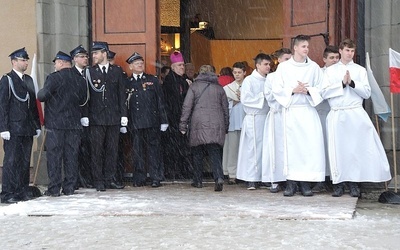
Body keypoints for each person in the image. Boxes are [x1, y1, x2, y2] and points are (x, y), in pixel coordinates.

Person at [321, 38, 392, 197]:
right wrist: (341, 84)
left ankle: (354, 183)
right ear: (340, 51)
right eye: (347, 50)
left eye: (352, 51)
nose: (349, 54)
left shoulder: (360, 70)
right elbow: (323, 92)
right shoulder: (330, 71)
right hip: (338, 113)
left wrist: (352, 83)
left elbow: (367, 92)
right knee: (338, 149)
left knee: (354, 149)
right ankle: (338, 183)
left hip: (354, 113)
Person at [272, 35, 325, 197]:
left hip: (307, 111)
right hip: (292, 111)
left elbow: (322, 88)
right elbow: (277, 88)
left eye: (307, 47)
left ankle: (305, 183)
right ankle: (291, 183)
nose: (306, 49)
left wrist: (309, 90)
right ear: (295, 48)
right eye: (303, 46)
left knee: (308, 148)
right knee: (292, 148)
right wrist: (292, 90)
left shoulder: (314, 67)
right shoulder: (284, 68)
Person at [38, 51, 87, 196]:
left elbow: (42, 96)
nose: (55, 66)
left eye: (55, 63)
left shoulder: (54, 78)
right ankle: (69, 187)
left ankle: (54, 188)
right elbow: (83, 99)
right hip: (73, 124)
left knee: (54, 157)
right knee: (71, 156)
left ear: (60, 63)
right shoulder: (80, 79)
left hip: (56, 125)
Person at [0, 48, 41, 204]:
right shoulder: (7, 80)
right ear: (14, 62)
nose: (25, 62)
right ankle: (7, 192)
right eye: (22, 60)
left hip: (27, 128)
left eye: (26, 60)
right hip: (13, 129)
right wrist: (3, 128)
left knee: (24, 161)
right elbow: (2, 105)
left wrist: (36, 124)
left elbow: (32, 107)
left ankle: (22, 189)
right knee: (11, 161)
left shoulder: (29, 80)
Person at [179, 65, 229, 191]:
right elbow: (225, 110)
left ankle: (198, 180)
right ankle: (218, 177)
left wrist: (183, 124)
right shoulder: (219, 89)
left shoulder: (194, 87)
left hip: (198, 123)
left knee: (197, 152)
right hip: (216, 123)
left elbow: (187, 107)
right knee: (214, 152)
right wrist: (226, 126)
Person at [85, 41, 127, 191]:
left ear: (104, 53)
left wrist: (124, 115)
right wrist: (85, 115)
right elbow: (86, 97)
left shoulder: (117, 71)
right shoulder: (90, 71)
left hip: (113, 117)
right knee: (96, 151)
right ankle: (98, 180)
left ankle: (110, 179)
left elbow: (121, 94)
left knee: (112, 150)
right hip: (96, 118)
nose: (94, 56)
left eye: (96, 53)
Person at [124, 52, 168, 187]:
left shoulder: (152, 80)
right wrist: (123, 119)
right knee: (137, 151)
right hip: (135, 122)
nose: (140, 65)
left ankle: (156, 177)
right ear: (131, 66)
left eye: (141, 63)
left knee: (154, 151)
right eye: (137, 63)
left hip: (152, 121)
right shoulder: (127, 82)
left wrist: (164, 120)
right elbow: (124, 103)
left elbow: (160, 101)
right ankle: (139, 177)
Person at [236, 53, 271, 190]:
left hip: (266, 117)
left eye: (269, 64)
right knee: (253, 148)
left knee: (265, 148)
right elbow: (245, 99)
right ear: (258, 65)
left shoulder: (269, 79)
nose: (268, 67)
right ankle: (252, 178)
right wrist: (263, 96)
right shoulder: (249, 80)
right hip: (254, 117)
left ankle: (264, 176)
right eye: (265, 64)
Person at [261, 48, 292, 193]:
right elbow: (269, 96)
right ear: (278, 60)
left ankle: (291, 178)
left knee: (289, 147)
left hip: (290, 116)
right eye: (286, 59)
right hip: (277, 115)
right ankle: (275, 178)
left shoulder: (293, 75)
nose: (289, 62)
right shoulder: (272, 77)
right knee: (275, 147)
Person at [312, 45, 340, 193]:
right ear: (324, 59)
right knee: (321, 146)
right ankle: (321, 178)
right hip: (321, 114)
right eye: (331, 58)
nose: (335, 61)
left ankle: (337, 179)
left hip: (337, 114)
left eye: (337, 58)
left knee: (336, 147)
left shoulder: (342, 72)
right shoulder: (319, 74)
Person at [162, 51, 192, 179]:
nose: (182, 67)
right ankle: (174, 171)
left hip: (183, 118)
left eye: (183, 65)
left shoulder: (185, 80)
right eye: (179, 65)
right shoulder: (169, 81)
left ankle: (183, 170)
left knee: (184, 146)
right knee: (173, 148)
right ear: (173, 67)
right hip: (173, 118)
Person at [70, 45, 93, 189]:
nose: (85, 59)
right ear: (74, 59)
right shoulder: (70, 74)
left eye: (86, 56)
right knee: (75, 151)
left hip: (90, 118)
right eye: (82, 57)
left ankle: (86, 178)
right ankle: (76, 179)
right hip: (75, 118)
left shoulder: (89, 73)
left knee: (87, 150)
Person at [222, 62, 246, 184]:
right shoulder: (227, 88)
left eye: (239, 72)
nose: (237, 75)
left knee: (245, 149)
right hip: (232, 121)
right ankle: (232, 173)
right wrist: (233, 103)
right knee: (232, 148)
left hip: (245, 120)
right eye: (235, 72)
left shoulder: (248, 86)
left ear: (244, 73)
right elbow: (223, 106)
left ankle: (245, 173)